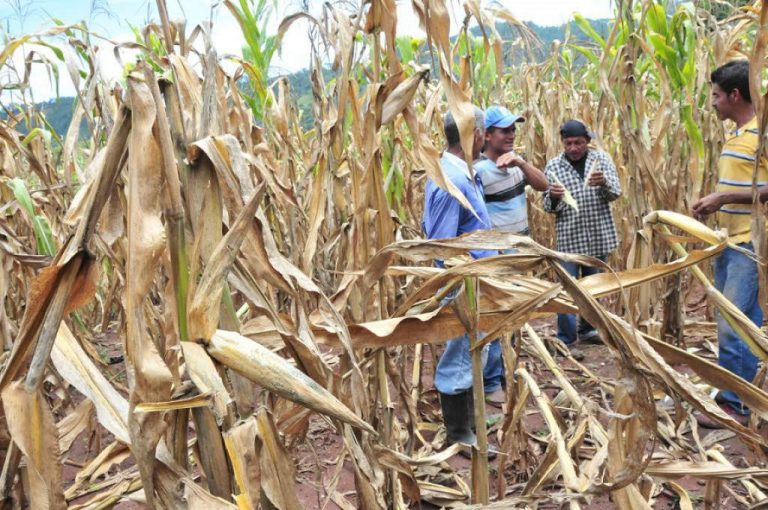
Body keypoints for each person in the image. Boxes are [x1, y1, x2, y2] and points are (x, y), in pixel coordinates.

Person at [692, 60, 768, 428]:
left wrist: (723, 198)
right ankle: (740, 392)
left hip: (749, 243)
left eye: (716, 95)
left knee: (734, 322)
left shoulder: (762, 133)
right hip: (728, 241)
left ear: (735, 95)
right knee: (741, 320)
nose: (713, 102)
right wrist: (715, 205)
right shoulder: (738, 134)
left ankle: (736, 405)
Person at [422, 106, 496, 457]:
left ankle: (470, 423)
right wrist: (459, 286)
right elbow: (442, 244)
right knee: (462, 355)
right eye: (483, 131)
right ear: (475, 134)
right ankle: (459, 432)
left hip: (478, 281)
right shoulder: (450, 180)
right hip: (464, 284)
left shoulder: (463, 172)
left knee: (475, 351)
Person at [475, 106, 549, 404]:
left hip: (520, 253)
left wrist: (520, 162)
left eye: (513, 129)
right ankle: (491, 381)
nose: (511, 134)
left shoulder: (516, 165)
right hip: (498, 256)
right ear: (487, 135)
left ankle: (508, 370)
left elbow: (544, 185)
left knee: (516, 314)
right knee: (497, 317)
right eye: (504, 130)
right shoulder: (479, 172)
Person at [542, 119, 622, 345]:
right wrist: (553, 197)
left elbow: (616, 193)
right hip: (570, 240)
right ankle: (566, 338)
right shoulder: (554, 167)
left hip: (598, 236)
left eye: (578, 143)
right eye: (568, 143)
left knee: (594, 287)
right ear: (562, 143)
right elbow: (547, 207)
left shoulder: (601, 160)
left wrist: (604, 182)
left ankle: (588, 330)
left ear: (587, 141)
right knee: (567, 289)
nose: (573, 148)